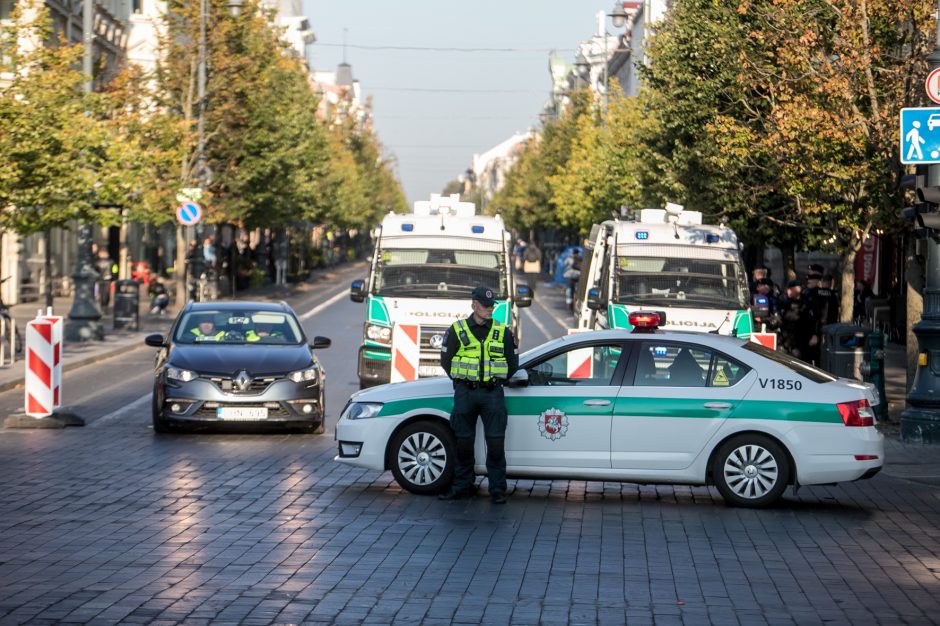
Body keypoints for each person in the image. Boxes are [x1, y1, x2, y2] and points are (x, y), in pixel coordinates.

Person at [438, 286, 518, 504]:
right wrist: (462, 382)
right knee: (463, 444)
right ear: (474, 305)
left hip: (493, 393)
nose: (490, 309)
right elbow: (446, 361)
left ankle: (498, 490)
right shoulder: (457, 330)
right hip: (465, 393)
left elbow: (512, 363)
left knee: (495, 444)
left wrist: (497, 380)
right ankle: (462, 487)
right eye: (485, 305)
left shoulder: (502, 332)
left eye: (492, 306)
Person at [777, 280, 816, 362]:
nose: (788, 292)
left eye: (791, 289)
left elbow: (812, 320)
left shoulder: (807, 302)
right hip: (788, 340)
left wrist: (814, 334)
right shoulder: (784, 301)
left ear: (798, 289)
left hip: (803, 340)